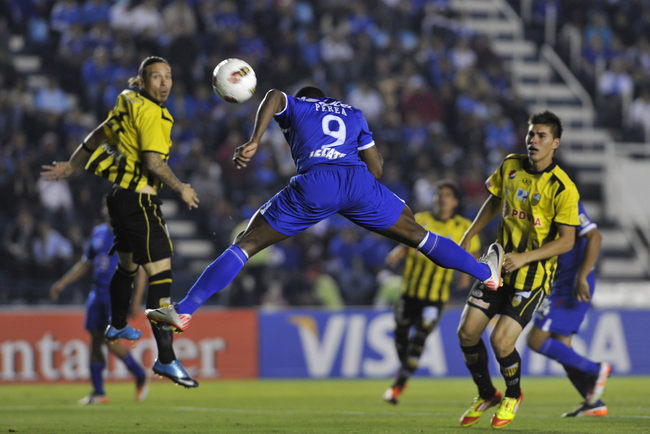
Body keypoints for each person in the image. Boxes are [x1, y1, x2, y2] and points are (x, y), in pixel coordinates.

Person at [145, 86, 504, 336]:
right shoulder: (354, 113)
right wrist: (358, 192)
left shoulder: (299, 106)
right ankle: (485, 273)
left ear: (305, 99)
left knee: (247, 243)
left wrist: (254, 140)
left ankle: (185, 310)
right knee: (419, 236)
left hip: (317, 183)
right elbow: (377, 169)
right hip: (358, 185)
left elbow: (274, 96)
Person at [41, 56, 200, 388]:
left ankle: (116, 324)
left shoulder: (128, 100)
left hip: (117, 198)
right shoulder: (155, 114)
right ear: (142, 81)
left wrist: (72, 165)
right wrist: (181, 188)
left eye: (168, 76)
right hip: (140, 201)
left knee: (127, 267)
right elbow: (153, 163)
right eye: (156, 77)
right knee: (161, 276)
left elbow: (98, 134)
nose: (164, 83)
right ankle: (166, 358)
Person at [456, 111, 580, 429]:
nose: (533, 140)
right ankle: (487, 394)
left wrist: (526, 258)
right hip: (498, 266)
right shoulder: (510, 165)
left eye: (541, 136)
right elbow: (494, 201)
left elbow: (567, 241)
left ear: (555, 143)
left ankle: (513, 394)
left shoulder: (563, 187)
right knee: (467, 333)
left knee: (501, 341)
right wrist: (469, 234)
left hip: (532, 276)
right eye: (530, 134)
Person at [383, 180, 480, 405]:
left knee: (420, 336)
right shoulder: (420, 218)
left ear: (455, 202)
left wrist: (466, 275)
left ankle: (398, 385)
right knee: (400, 333)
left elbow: (472, 253)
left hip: (435, 298)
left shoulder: (463, 226)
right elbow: (405, 239)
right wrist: (398, 253)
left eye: (447, 195)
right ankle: (405, 370)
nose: (441, 198)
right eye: (438, 194)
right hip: (410, 292)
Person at [50, 216, 149, 405]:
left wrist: (136, 301)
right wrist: (63, 282)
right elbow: (85, 263)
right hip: (96, 294)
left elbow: (142, 269)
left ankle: (139, 374)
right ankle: (99, 392)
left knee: (110, 341)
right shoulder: (98, 232)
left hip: (115, 295)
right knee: (95, 341)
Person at [527, 200, 611, 417]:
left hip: (572, 283)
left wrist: (582, 276)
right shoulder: (536, 206)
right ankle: (593, 402)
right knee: (563, 348)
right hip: (561, 281)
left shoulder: (566, 201)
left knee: (536, 340)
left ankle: (596, 369)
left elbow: (595, 237)